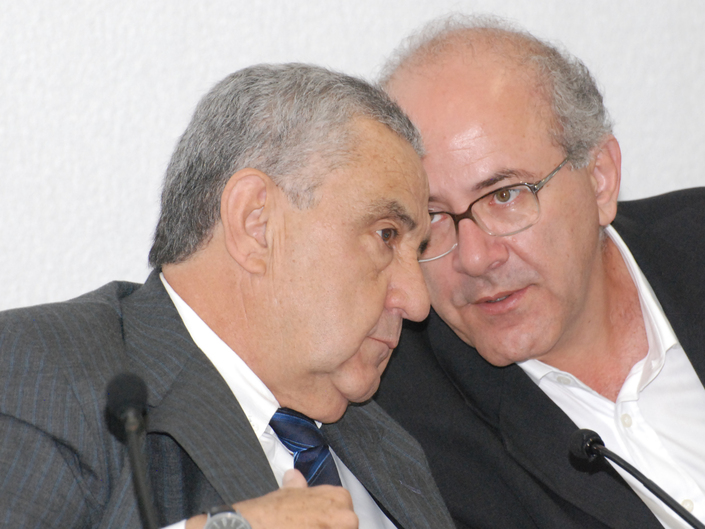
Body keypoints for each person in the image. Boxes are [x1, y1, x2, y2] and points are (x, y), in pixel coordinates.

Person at [373, 15, 705, 529]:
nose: (475, 258)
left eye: (505, 196)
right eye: (432, 218)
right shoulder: (397, 425)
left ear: (599, 179)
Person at [0, 63, 456, 529]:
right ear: (256, 223)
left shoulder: (393, 443)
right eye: (385, 235)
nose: (417, 301)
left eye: (418, 250)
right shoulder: (42, 372)